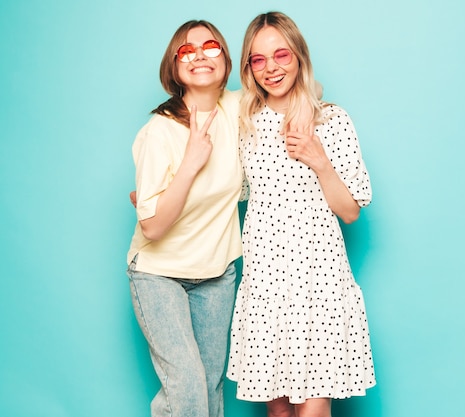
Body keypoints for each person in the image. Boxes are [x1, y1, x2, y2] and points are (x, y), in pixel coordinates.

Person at [227, 11, 376, 417]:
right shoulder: (244, 123)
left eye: (281, 55)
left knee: (312, 410)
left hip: (319, 283)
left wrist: (320, 161)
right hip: (266, 282)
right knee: (278, 413)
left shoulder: (331, 119)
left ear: (299, 57)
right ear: (248, 67)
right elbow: (224, 194)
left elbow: (350, 212)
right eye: (258, 60)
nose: (271, 68)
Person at [126, 20, 242, 417]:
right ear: (175, 68)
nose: (198, 55)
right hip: (159, 274)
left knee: (210, 387)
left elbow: (299, 93)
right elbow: (154, 227)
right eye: (186, 51)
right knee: (187, 387)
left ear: (225, 59)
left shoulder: (237, 108)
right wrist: (191, 163)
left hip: (216, 274)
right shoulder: (158, 132)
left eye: (209, 46)